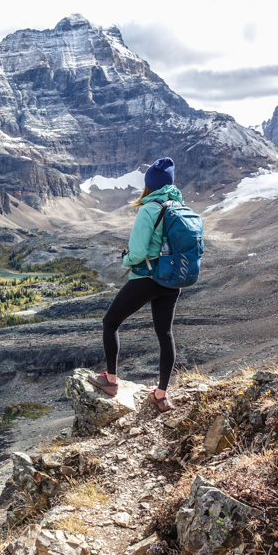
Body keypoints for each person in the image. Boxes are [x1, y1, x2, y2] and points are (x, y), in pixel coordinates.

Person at [87, 157, 182, 412]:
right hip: (173, 280)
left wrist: (125, 259)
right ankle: (161, 395)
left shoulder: (149, 208)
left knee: (110, 322)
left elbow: (138, 253)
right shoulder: (180, 207)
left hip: (148, 278)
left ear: (149, 184)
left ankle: (110, 380)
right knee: (165, 334)